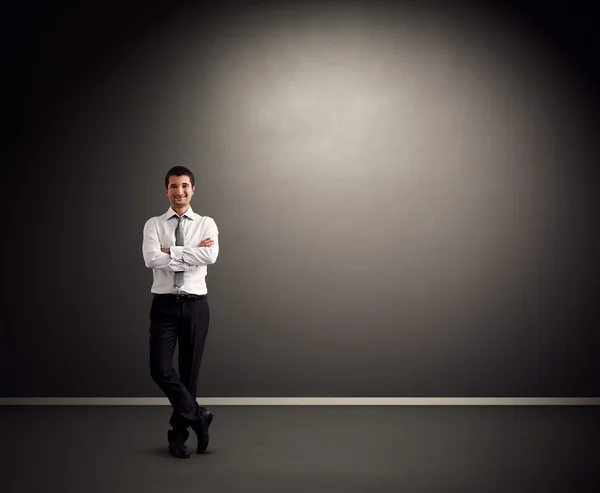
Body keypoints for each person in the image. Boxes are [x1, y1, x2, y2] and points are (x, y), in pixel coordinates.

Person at [142, 166, 219, 458]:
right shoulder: (154, 224)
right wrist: (190, 252)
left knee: (189, 375)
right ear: (167, 190)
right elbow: (151, 259)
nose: (180, 192)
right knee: (160, 369)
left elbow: (210, 255)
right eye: (174, 186)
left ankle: (178, 437)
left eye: (185, 186)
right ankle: (199, 416)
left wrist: (170, 252)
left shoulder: (206, 223)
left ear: (193, 189)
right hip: (164, 305)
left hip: (197, 305)